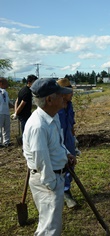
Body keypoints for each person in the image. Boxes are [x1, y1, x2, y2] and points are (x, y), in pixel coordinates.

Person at [23, 78, 75, 236]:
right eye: (60, 95)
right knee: (49, 228)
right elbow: (41, 159)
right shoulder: (38, 125)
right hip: (47, 180)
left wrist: (66, 154)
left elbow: (57, 143)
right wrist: (52, 184)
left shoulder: (53, 116)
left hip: (55, 176)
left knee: (51, 224)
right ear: (49, 99)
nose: (64, 97)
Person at [57, 78, 78, 208]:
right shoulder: (55, 106)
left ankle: (66, 190)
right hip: (58, 139)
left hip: (68, 138)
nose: (72, 94)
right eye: (69, 92)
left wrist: (74, 138)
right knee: (59, 166)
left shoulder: (69, 105)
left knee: (71, 164)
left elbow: (71, 123)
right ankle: (62, 192)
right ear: (62, 93)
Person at [0, 77, 11, 147]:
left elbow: (8, 102)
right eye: (6, 83)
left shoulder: (6, 92)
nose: (7, 85)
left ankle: (6, 142)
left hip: (6, 112)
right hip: (0, 112)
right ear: (1, 83)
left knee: (7, 128)